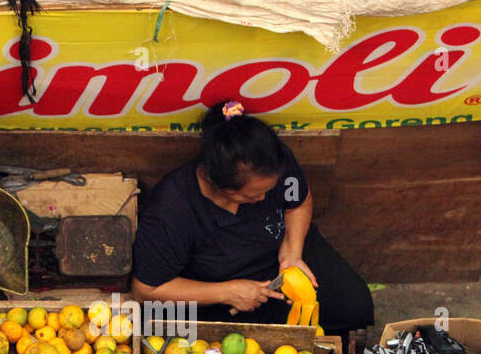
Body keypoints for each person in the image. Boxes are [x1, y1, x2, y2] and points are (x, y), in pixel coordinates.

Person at [131, 101, 374, 337]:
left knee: (353, 305)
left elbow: (298, 202)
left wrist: (293, 253)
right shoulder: (172, 210)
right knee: (247, 346)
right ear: (219, 186)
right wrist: (226, 292)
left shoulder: (274, 163)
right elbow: (146, 290)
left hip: (282, 254)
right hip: (220, 289)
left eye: (269, 190)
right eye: (254, 195)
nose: (264, 198)